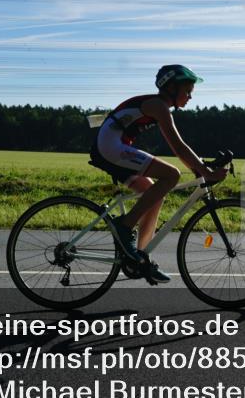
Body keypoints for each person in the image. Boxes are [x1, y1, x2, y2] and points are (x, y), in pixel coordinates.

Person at [90, 64, 227, 283]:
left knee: (152, 191)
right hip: (110, 146)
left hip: (111, 144)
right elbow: (178, 147)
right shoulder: (158, 106)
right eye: (187, 91)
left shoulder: (158, 105)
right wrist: (205, 171)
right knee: (172, 175)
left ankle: (140, 259)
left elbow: (181, 150)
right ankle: (124, 226)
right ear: (171, 88)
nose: (190, 97)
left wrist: (201, 167)